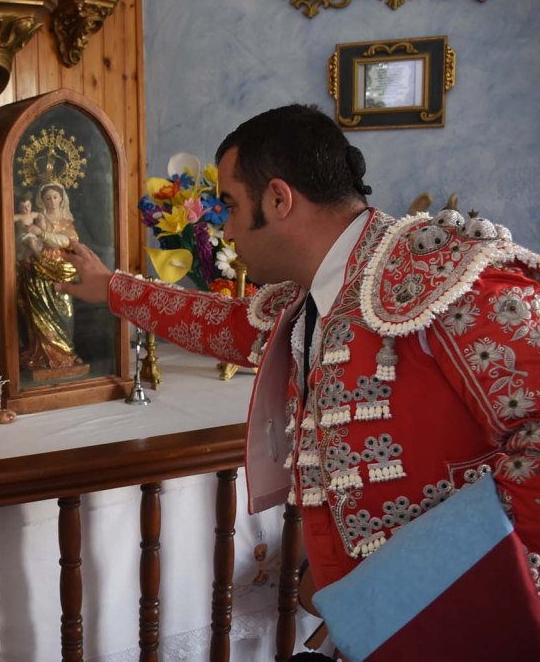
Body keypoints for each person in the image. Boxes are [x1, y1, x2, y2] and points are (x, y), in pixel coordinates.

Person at [57, 104, 540, 595]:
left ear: (278, 199)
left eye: (230, 206)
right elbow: (223, 324)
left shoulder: (449, 278)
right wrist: (110, 287)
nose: (226, 231)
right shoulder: (314, 291)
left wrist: (425, 586)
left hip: (462, 615)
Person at [18, 182, 84, 372]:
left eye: (55, 197)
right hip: (39, 272)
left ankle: (67, 352)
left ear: (62, 198)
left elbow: (69, 241)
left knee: (65, 313)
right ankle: (44, 355)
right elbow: (26, 239)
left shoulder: (67, 221)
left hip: (62, 271)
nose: (52, 201)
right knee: (41, 314)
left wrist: (43, 234)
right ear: (42, 200)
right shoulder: (38, 218)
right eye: (48, 198)